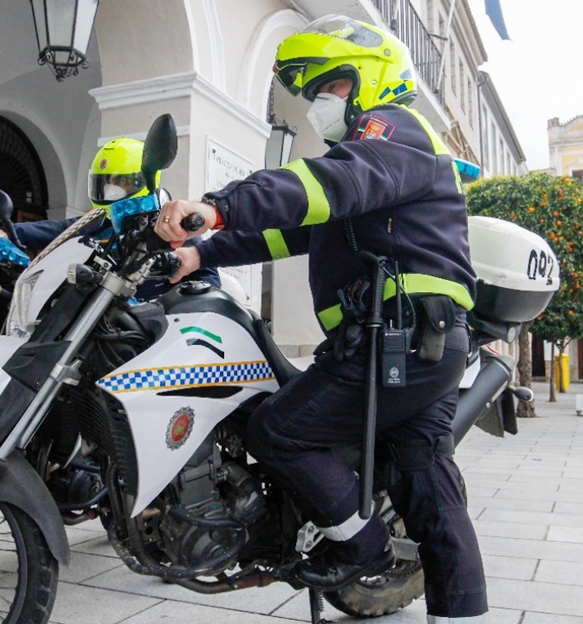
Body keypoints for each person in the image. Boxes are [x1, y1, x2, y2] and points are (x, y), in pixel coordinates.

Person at [154, 15, 486, 623]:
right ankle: (460, 614)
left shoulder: (394, 134)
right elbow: (289, 234)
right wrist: (202, 252)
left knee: (278, 429)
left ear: (366, 82)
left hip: (399, 339)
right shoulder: (375, 171)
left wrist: (217, 207)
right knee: (426, 478)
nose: (318, 105)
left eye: (327, 89)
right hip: (426, 343)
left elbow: (328, 182)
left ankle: (363, 548)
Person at [0, 137, 219, 299]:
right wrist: (9, 232)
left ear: (144, 180)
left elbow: (209, 286)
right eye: (104, 184)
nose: (110, 192)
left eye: (120, 183)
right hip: (96, 321)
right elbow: (62, 230)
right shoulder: (101, 221)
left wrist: (178, 298)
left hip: (152, 333)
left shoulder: (175, 227)